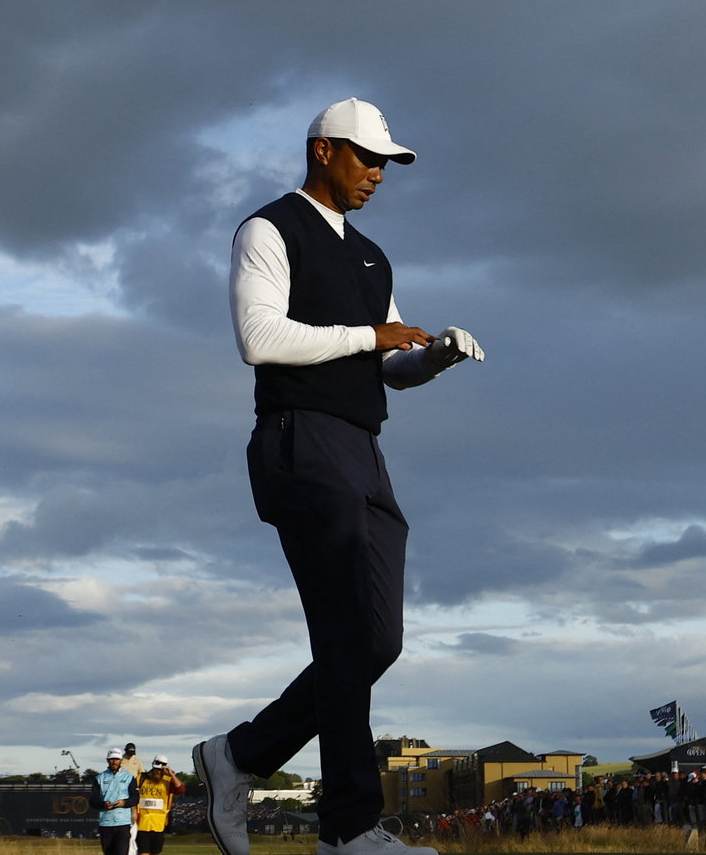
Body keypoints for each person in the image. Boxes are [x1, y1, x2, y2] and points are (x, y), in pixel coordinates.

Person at [197, 97, 483, 855]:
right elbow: (258, 339)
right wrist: (373, 335)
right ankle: (349, 828)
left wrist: (436, 356)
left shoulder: (372, 256)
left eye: (385, 164)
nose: (377, 175)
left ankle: (242, 755)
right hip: (299, 442)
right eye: (366, 158)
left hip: (364, 449)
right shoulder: (267, 228)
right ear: (322, 151)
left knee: (375, 641)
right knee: (343, 631)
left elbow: (388, 365)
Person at [89, 749, 138, 855]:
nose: (114, 762)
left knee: (121, 852)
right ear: (107, 760)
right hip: (106, 822)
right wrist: (103, 804)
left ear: (120, 760)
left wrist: (124, 803)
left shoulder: (129, 777)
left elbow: (135, 798)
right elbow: (93, 800)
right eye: (111, 759)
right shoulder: (99, 778)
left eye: (116, 759)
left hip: (123, 823)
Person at [135, 757, 186, 855]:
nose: (158, 772)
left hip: (159, 824)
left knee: (156, 852)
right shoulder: (140, 778)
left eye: (160, 770)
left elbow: (181, 789)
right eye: (156, 769)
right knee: (143, 852)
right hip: (142, 823)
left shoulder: (167, 781)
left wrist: (171, 774)